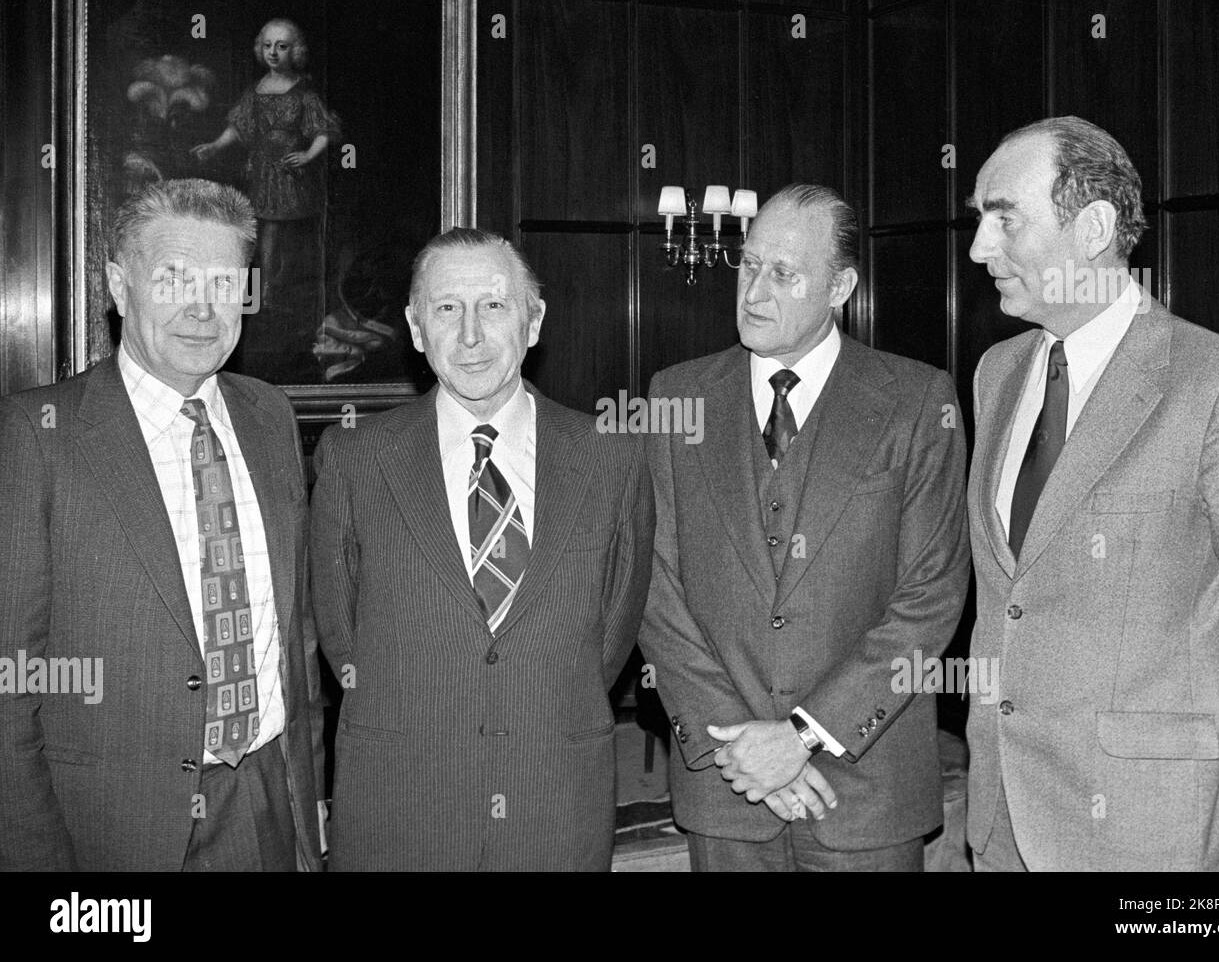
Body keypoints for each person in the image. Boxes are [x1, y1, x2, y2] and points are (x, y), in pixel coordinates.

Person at [965, 116, 1219, 870]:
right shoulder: (997, 372)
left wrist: (1203, 717)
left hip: (1155, 832)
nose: (979, 249)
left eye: (1003, 219)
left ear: (1092, 228)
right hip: (1001, 817)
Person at [639, 184, 970, 871]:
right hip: (726, 783)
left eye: (784, 273)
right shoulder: (675, 395)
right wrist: (744, 747)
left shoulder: (917, 401)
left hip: (867, 791)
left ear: (840, 285)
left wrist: (801, 735)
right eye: (749, 264)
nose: (755, 290)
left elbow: (930, 597)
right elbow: (654, 586)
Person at [0, 178, 326, 870]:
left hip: (271, 801)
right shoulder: (36, 435)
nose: (202, 308)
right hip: (116, 832)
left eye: (224, 281)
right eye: (174, 277)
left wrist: (309, 819)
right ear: (120, 287)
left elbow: (296, 639)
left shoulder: (270, 416)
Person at [311, 228, 654, 870]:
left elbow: (611, 635)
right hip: (400, 806)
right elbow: (339, 632)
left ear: (533, 321)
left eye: (494, 306)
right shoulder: (355, 459)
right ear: (416, 328)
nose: (470, 336)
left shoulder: (613, 458)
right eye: (447, 309)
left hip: (552, 801)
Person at [192, 18, 341, 372]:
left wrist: (307, 155)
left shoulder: (304, 93)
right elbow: (238, 127)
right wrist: (214, 146)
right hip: (261, 178)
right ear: (261, 48)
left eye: (283, 46)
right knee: (260, 244)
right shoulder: (256, 90)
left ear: (296, 51)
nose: (274, 52)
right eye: (269, 45)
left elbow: (323, 131)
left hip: (292, 182)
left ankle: (286, 310)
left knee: (289, 248)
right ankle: (263, 307)